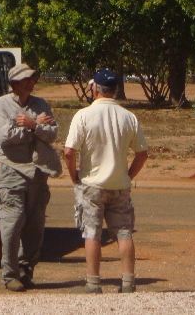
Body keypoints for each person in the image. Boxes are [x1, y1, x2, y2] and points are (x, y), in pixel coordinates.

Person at [63, 69, 148, 294]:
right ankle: (128, 282)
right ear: (115, 90)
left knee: (92, 232)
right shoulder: (129, 117)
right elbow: (142, 153)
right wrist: (128, 175)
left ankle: (93, 283)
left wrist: (74, 176)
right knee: (124, 232)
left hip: (92, 184)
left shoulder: (83, 116)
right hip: (120, 184)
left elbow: (69, 152)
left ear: (96, 89)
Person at [0, 63, 62, 292]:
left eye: (32, 78)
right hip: (11, 171)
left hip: (38, 172)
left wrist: (33, 126)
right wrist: (33, 128)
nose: (31, 81)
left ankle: (26, 270)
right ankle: (10, 274)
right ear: (14, 83)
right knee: (12, 225)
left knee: (35, 225)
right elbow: (4, 137)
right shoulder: (2, 104)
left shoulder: (40, 104)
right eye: (25, 79)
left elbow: (52, 133)